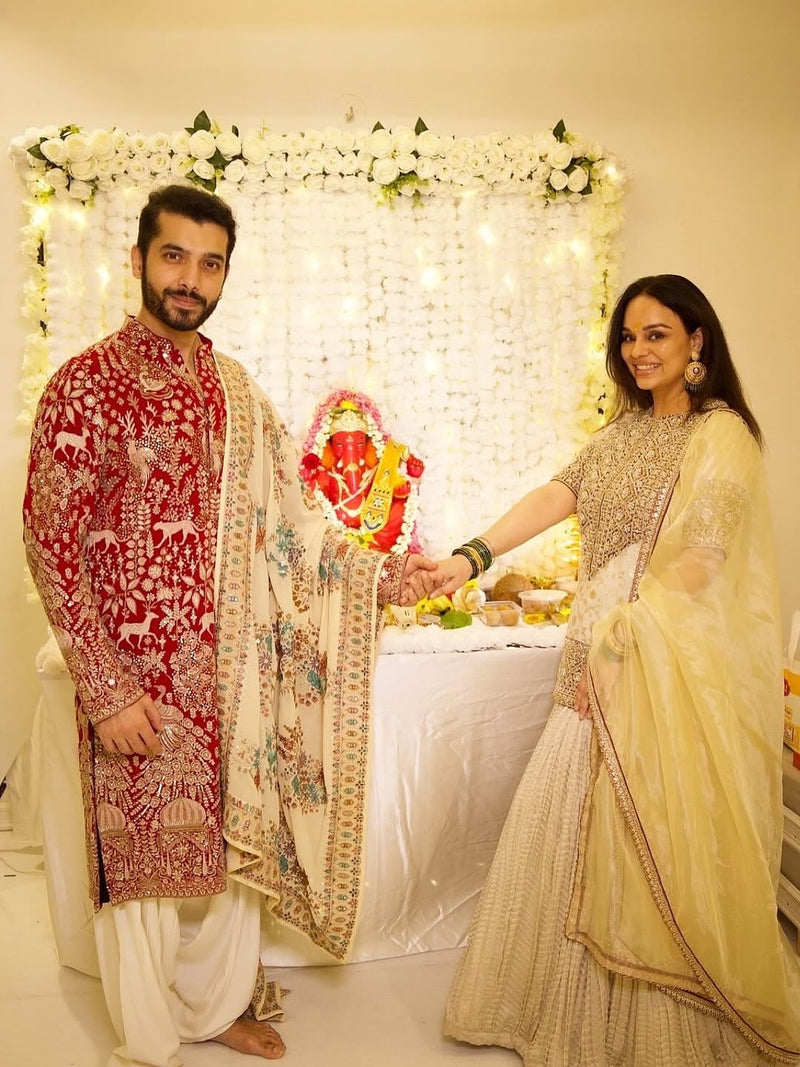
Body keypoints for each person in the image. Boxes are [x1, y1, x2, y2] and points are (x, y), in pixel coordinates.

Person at [22, 183, 434, 1067]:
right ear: (136, 260)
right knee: (137, 867)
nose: (190, 279)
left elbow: (296, 524)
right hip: (134, 677)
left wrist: (387, 575)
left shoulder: (234, 390)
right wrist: (104, 689)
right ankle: (147, 1029)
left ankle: (213, 1004)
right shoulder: (85, 384)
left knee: (230, 856)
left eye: (210, 263)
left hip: (236, 673)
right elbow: (49, 540)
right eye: (174, 256)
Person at [430, 275, 800, 1065]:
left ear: (697, 340)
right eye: (630, 337)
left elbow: (703, 557)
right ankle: (560, 1016)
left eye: (657, 334)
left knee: (651, 845)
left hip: (652, 668)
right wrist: (471, 556)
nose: (639, 351)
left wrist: (625, 643)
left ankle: (659, 1031)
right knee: (566, 827)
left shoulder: (722, 434)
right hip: (590, 661)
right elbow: (554, 496)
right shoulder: (621, 434)